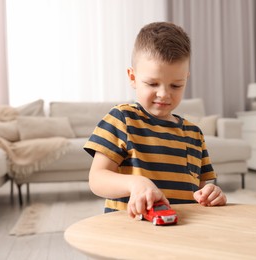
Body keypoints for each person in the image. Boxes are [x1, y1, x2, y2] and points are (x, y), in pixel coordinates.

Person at [84, 21, 227, 218]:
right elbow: (97, 180)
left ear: (186, 78)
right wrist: (136, 183)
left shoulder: (194, 134)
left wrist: (212, 193)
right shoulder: (122, 119)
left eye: (176, 85)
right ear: (132, 77)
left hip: (180, 234)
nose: (164, 94)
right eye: (152, 83)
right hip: (130, 233)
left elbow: (202, 189)